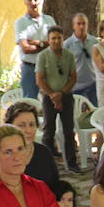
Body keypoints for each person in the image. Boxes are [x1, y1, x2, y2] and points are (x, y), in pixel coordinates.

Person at [0, 102, 61, 188]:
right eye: (21, 125)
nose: (28, 130)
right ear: (9, 126)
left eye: (32, 125)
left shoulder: (44, 153)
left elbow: (55, 187)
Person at [36, 26, 81, 172]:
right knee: (49, 130)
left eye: (59, 38)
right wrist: (53, 95)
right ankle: (47, 165)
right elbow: (40, 80)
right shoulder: (42, 56)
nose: (56, 41)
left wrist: (61, 93)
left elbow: (73, 77)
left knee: (69, 130)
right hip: (48, 97)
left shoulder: (68, 55)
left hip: (66, 96)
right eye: (53, 38)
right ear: (48, 41)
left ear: (63, 39)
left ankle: (72, 163)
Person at [14, 0, 55, 100]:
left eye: (36, 0)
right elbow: (25, 48)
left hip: (48, 67)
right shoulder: (20, 23)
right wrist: (44, 43)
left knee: (52, 100)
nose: (33, 3)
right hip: (30, 68)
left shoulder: (49, 20)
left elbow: (55, 43)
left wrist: (35, 42)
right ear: (25, 2)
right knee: (29, 101)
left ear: (41, 1)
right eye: (30, 0)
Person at [64, 13, 101, 108]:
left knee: (95, 111)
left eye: (84, 23)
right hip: (75, 87)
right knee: (77, 114)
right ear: (73, 26)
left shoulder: (95, 42)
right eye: (78, 24)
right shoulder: (67, 45)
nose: (81, 26)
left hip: (93, 85)